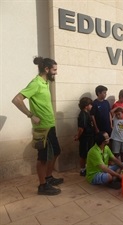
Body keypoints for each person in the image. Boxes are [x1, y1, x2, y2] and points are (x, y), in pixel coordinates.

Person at [12, 56, 63, 195]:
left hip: (49, 126)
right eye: (54, 70)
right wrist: (30, 115)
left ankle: (48, 177)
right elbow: (17, 100)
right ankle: (42, 186)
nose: (56, 72)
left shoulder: (45, 83)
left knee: (56, 151)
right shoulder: (36, 83)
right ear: (46, 69)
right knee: (43, 157)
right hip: (42, 128)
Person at [74, 97, 94, 177]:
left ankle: (87, 168)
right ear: (86, 106)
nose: (91, 106)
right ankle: (82, 170)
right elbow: (81, 128)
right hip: (85, 138)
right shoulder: (82, 115)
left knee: (88, 153)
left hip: (89, 137)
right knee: (83, 154)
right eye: (90, 105)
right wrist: (77, 136)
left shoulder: (87, 113)